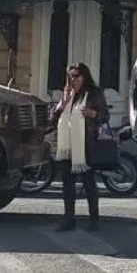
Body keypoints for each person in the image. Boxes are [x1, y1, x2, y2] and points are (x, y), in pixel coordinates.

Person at [49, 62, 110, 232]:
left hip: (85, 145)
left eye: (76, 76)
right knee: (67, 185)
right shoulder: (68, 94)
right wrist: (64, 101)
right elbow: (53, 118)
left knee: (89, 183)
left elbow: (105, 116)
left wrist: (93, 114)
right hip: (66, 146)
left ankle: (94, 219)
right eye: (70, 76)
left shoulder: (94, 94)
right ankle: (69, 219)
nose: (73, 80)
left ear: (85, 76)